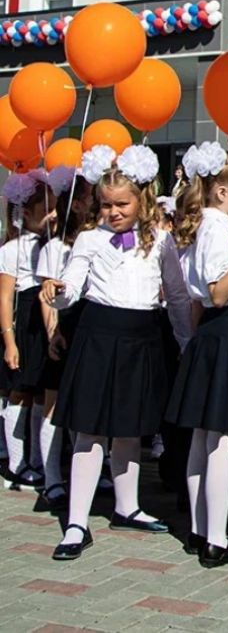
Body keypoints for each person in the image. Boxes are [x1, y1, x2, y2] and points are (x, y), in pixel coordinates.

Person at [43, 145, 193, 560]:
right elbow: (73, 287)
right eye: (106, 204)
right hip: (99, 336)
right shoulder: (90, 239)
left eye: (121, 204)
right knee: (89, 430)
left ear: (141, 200)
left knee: (130, 428)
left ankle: (128, 506)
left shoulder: (161, 240)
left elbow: (177, 295)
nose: (113, 212)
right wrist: (58, 293)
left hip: (143, 337)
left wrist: (186, 341)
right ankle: (77, 521)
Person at [163, 144, 228, 567]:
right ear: (222, 192)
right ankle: (216, 538)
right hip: (225, 334)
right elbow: (218, 293)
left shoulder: (209, 225)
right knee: (218, 441)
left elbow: (198, 300)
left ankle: (202, 529)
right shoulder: (217, 228)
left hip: (214, 337)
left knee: (204, 441)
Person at [33, 167, 93, 512]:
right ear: (76, 204)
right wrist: (52, 332)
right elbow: (47, 297)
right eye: (89, 197)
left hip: (90, 326)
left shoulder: (97, 239)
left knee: (83, 403)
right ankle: (52, 477)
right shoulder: (54, 247)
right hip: (65, 325)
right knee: (54, 404)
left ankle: (90, 471)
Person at [0, 170, 50, 492]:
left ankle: (36, 459)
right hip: (25, 323)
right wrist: (9, 341)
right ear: (26, 212)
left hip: (44, 324)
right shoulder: (12, 249)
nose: (52, 215)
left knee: (42, 391)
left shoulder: (52, 245)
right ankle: (17, 464)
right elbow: (5, 296)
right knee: (21, 390)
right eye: (46, 209)